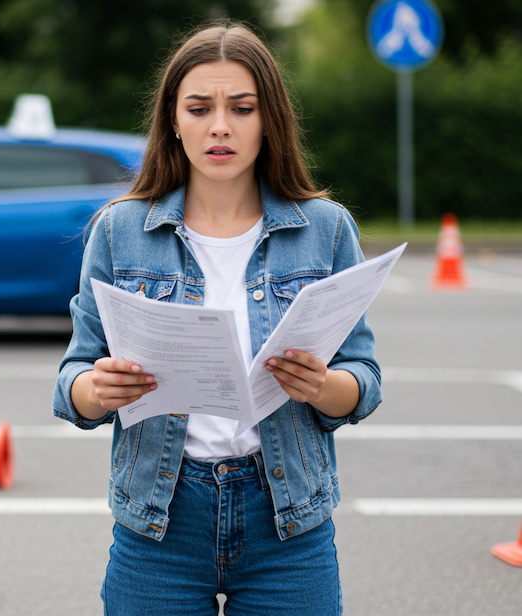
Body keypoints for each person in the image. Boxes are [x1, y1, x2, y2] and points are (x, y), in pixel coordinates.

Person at [52, 21, 382, 616]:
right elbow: (71, 382)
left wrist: (325, 386)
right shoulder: (119, 230)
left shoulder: (326, 229)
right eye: (199, 108)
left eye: (242, 107)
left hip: (288, 521)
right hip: (160, 521)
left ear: (268, 120)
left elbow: (364, 381)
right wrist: (97, 389)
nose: (221, 126)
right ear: (174, 122)